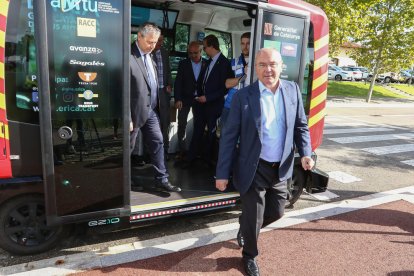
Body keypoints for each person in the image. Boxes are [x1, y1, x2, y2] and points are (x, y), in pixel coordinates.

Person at [215, 48, 315, 276]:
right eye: (262, 64)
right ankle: (249, 255)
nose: (267, 69)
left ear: (281, 67)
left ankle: (246, 226)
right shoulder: (243, 96)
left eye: (272, 64)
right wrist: (221, 173)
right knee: (255, 215)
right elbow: (229, 137)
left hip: (281, 167)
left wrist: (306, 152)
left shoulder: (292, 90)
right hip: (253, 167)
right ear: (255, 68)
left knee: (277, 212)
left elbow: (301, 126)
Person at [130, 23, 181, 192]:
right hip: (134, 111)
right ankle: (124, 181)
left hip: (150, 110)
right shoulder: (128, 56)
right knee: (128, 148)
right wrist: (126, 116)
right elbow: (120, 89)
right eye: (150, 42)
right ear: (139, 37)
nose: (152, 46)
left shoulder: (150, 55)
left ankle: (162, 179)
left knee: (158, 141)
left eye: (155, 42)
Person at [184, 34, 234, 168]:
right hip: (201, 104)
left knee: (210, 134)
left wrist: (208, 97)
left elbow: (225, 87)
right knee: (197, 131)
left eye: (205, 47)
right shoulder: (208, 61)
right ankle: (190, 159)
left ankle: (206, 161)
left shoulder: (224, 63)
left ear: (212, 46)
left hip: (214, 105)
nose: (204, 50)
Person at [174, 41, 207, 159]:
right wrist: (177, 99)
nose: (192, 55)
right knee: (181, 125)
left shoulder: (207, 64)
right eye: (190, 53)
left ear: (201, 51)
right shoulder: (183, 64)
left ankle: (195, 151)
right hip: (185, 99)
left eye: (195, 53)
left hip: (200, 100)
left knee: (199, 126)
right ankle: (182, 150)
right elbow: (178, 82)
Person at [222, 32, 251, 127]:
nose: (245, 46)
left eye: (248, 43)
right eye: (243, 43)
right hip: (230, 105)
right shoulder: (233, 62)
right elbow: (227, 83)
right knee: (225, 137)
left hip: (248, 107)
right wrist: (244, 75)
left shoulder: (258, 62)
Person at [153, 34, 173, 159]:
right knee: (152, 123)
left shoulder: (164, 53)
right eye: (158, 40)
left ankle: (165, 150)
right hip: (152, 93)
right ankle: (150, 152)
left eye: (162, 40)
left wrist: (170, 84)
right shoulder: (148, 52)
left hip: (163, 93)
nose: (160, 43)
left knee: (165, 122)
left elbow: (168, 71)